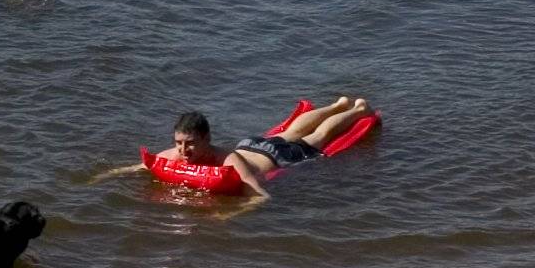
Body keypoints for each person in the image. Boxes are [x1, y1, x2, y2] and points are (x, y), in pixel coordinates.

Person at [126, 97, 377, 203]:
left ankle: (358, 110)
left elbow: (260, 195)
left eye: (190, 143)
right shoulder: (174, 154)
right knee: (291, 131)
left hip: (278, 156)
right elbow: (141, 166)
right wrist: (107, 176)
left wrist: (229, 214)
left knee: (318, 137)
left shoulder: (228, 159)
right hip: (251, 144)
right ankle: (337, 105)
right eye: (179, 143)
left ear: (207, 138)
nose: (183, 150)